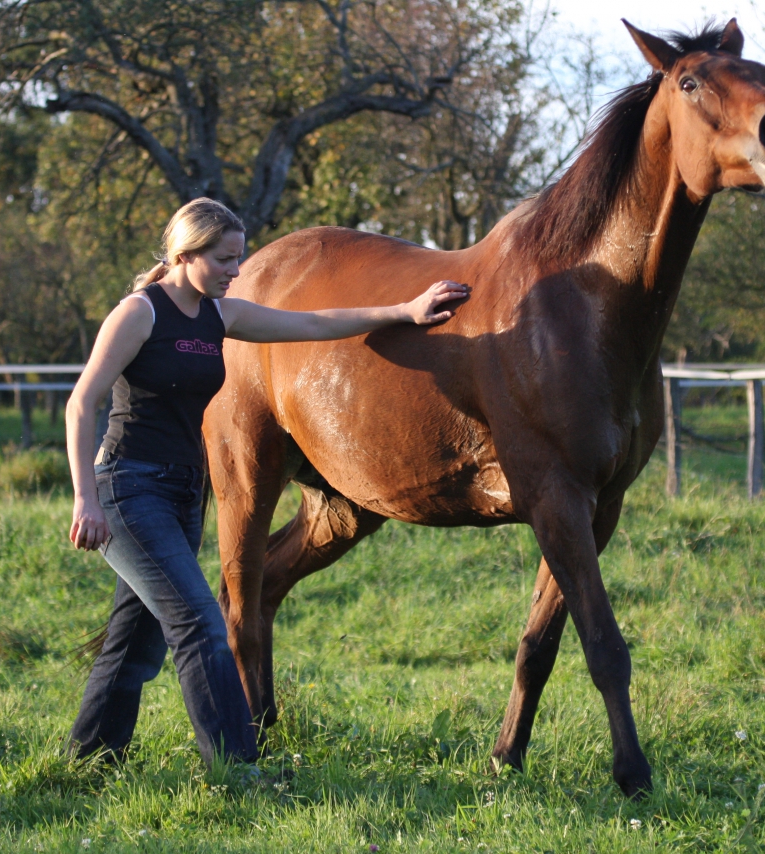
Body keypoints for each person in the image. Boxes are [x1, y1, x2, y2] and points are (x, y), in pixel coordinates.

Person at [65, 197, 470, 766]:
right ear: (186, 255)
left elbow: (313, 324)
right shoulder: (139, 314)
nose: (235, 270)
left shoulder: (220, 316)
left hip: (182, 492)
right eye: (224, 259)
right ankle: (236, 766)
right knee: (201, 624)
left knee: (136, 641)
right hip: (128, 487)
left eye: (239, 257)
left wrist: (404, 310)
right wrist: (86, 499)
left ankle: (88, 759)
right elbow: (82, 402)